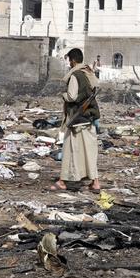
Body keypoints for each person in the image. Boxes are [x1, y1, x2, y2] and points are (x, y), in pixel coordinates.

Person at [51, 48, 101, 192]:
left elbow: (72, 96)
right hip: (88, 118)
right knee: (90, 150)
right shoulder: (88, 73)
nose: (69, 63)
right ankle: (95, 182)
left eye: (69, 60)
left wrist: (64, 95)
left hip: (77, 119)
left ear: (72, 60)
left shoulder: (75, 75)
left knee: (69, 150)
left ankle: (62, 181)